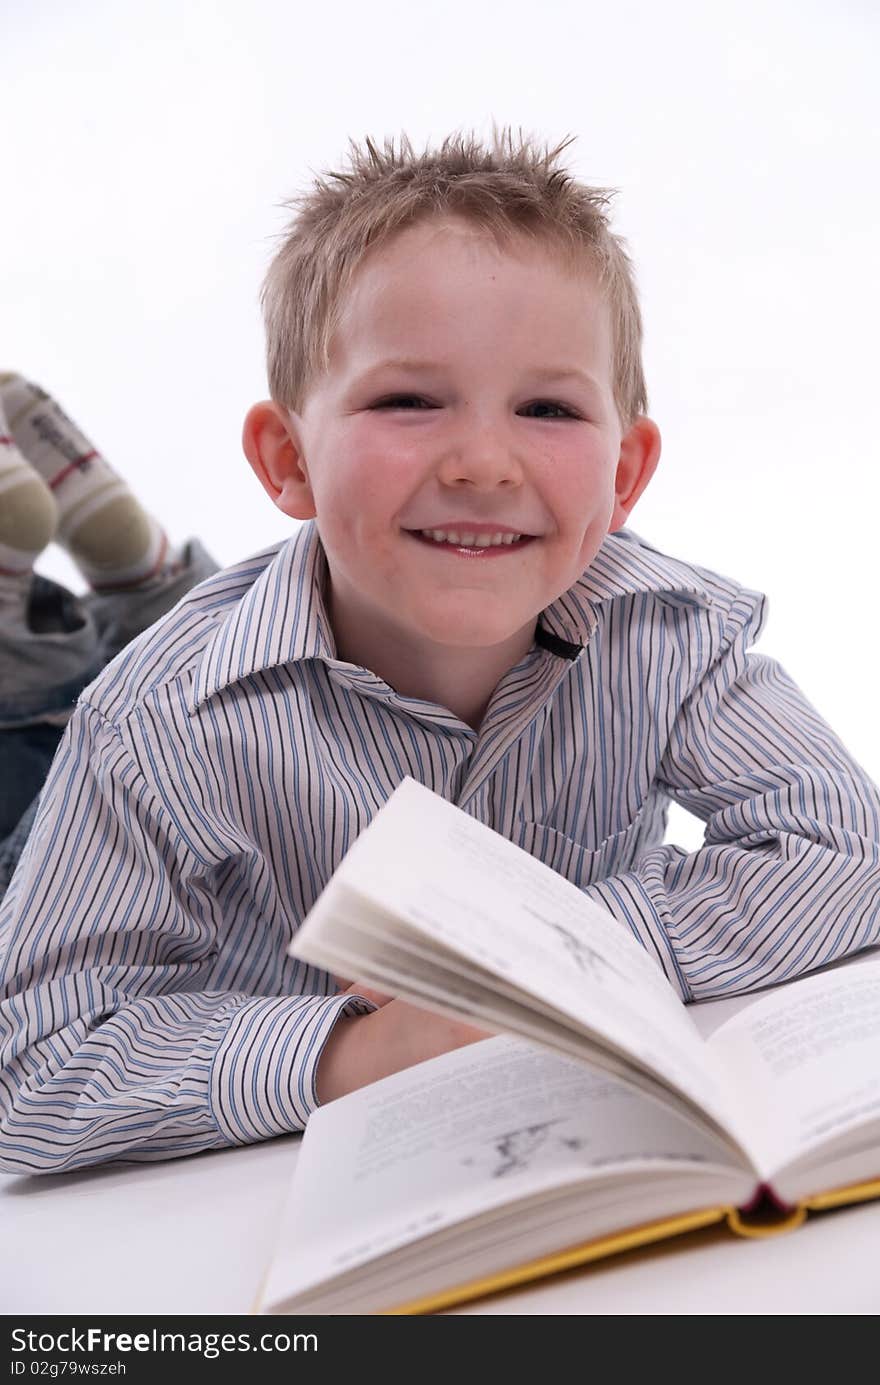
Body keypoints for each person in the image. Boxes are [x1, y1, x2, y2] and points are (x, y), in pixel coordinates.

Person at [1, 128, 879, 1176]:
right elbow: (33, 1065)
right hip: (51, 767)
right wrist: (351, 1050)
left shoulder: (667, 627)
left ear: (624, 473)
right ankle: (118, 595)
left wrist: (528, 963)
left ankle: (138, 571)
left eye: (547, 408)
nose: (480, 463)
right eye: (408, 400)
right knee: (37, 712)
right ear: (288, 459)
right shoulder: (153, 720)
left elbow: (845, 851)